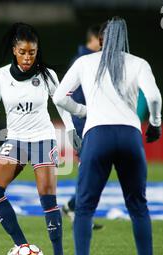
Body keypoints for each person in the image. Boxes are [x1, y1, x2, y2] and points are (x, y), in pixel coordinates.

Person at [0, 23, 86, 255]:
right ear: (14, 50)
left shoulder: (47, 75)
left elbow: (62, 105)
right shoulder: (0, 76)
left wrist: (72, 132)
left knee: (47, 197)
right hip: (16, 141)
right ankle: (21, 248)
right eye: (23, 52)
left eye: (32, 51)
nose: (28, 57)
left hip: (43, 139)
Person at [53, 17, 162, 255]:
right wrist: (156, 124)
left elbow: (58, 97)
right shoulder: (139, 63)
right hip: (129, 136)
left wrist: (82, 112)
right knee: (138, 206)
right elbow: (154, 98)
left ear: (99, 41)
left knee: (86, 207)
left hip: (97, 136)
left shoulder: (84, 62)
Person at [61, 24, 105, 231]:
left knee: (94, 169)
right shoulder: (83, 61)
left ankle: (73, 207)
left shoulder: (92, 60)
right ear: (96, 39)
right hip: (83, 123)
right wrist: (82, 116)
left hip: (92, 122)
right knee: (91, 169)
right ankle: (78, 212)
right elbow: (64, 96)